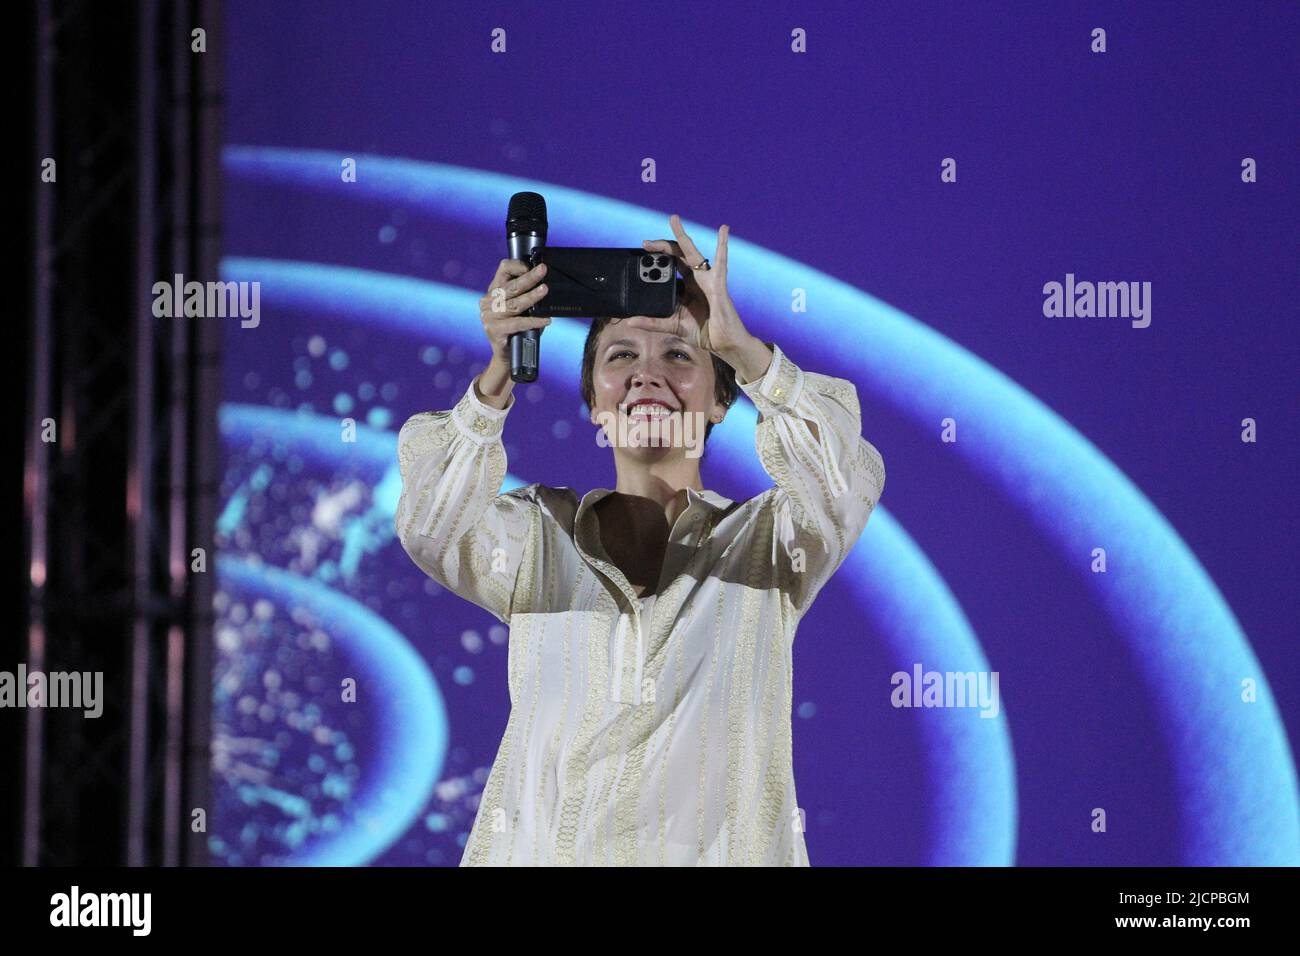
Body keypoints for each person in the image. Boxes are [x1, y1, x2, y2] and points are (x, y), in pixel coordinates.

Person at [395, 214, 886, 865]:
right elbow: (431, 521)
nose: (647, 375)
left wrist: (744, 350)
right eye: (620, 355)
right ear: (595, 403)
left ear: (720, 401)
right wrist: (499, 372)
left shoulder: (772, 543)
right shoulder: (536, 538)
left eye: (680, 355)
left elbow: (847, 472)